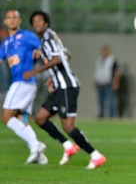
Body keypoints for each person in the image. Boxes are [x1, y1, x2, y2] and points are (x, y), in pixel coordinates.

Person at [23, 10, 106, 169]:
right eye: (34, 22)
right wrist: (51, 77)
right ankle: (68, 146)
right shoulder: (49, 39)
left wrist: (34, 72)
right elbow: (67, 54)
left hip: (67, 86)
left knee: (68, 126)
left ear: (46, 23)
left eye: (40, 21)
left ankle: (95, 155)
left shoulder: (48, 38)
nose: (37, 24)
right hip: (58, 86)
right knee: (40, 118)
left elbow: (58, 58)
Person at [0, 9, 47, 165]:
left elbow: (42, 47)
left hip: (23, 81)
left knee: (6, 117)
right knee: (21, 118)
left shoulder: (27, 36)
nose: (12, 20)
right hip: (23, 84)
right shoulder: (6, 44)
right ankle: (40, 156)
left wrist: (38, 52)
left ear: (19, 21)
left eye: (15, 18)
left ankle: (35, 145)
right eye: (9, 18)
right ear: (5, 22)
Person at [93, 45, 120, 118]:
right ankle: (101, 114)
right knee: (100, 101)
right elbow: (97, 71)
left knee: (111, 101)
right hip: (100, 83)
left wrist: (116, 82)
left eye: (106, 51)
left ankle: (111, 115)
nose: (105, 52)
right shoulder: (99, 60)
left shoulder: (112, 60)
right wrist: (95, 81)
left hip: (109, 83)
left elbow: (116, 72)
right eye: (104, 51)